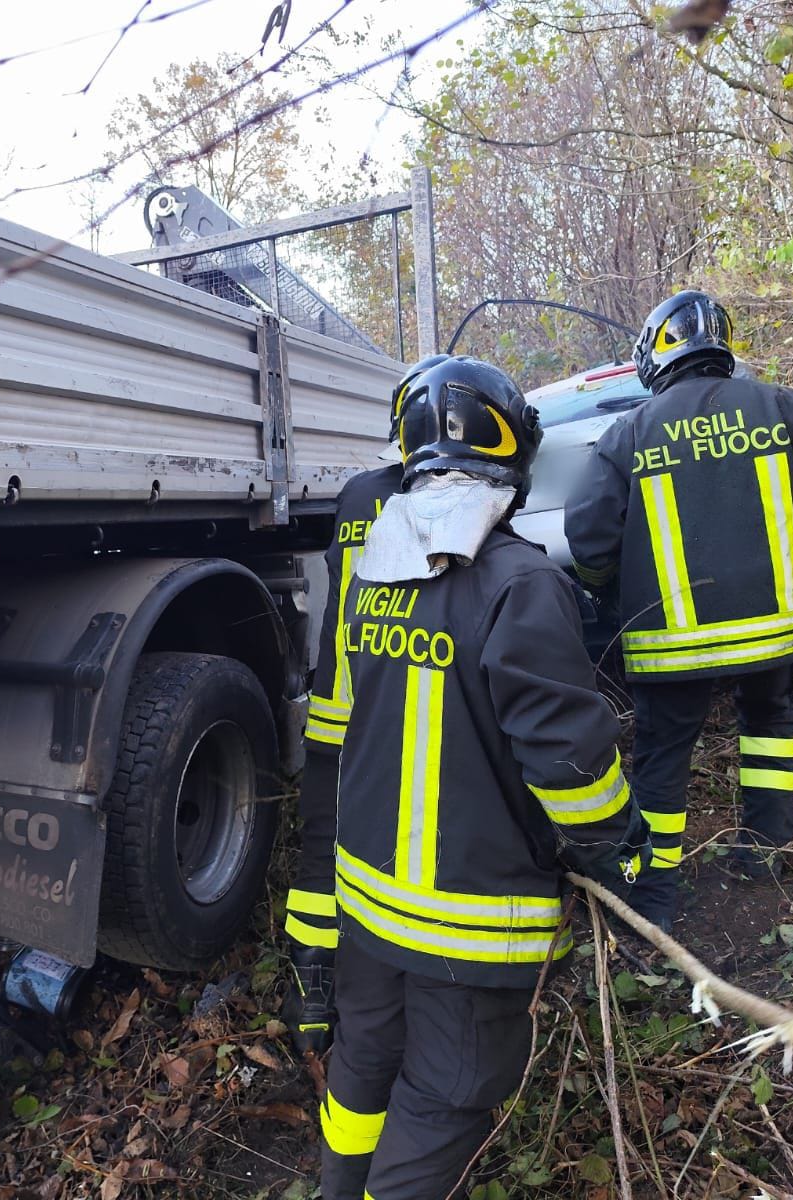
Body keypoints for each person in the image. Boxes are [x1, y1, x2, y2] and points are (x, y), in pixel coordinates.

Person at [320, 356, 648, 1200]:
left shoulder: (370, 578)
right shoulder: (523, 581)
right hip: (468, 924)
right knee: (444, 1103)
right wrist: (616, 846)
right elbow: (570, 766)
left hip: (366, 898)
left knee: (362, 1064)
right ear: (512, 449)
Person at [565, 290, 793, 931]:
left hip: (674, 643)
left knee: (664, 751)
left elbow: (588, 537)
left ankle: (658, 886)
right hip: (778, 628)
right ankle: (763, 855)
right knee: (768, 728)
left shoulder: (629, 432)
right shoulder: (781, 406)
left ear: (656, 354)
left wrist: (612, 594)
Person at [286, 353, 448, 1056]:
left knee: (321, 853)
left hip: (337, 714)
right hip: (419, 717)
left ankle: (310, 1006)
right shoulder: (459, 500)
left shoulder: (355, 497)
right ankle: (412, 996)